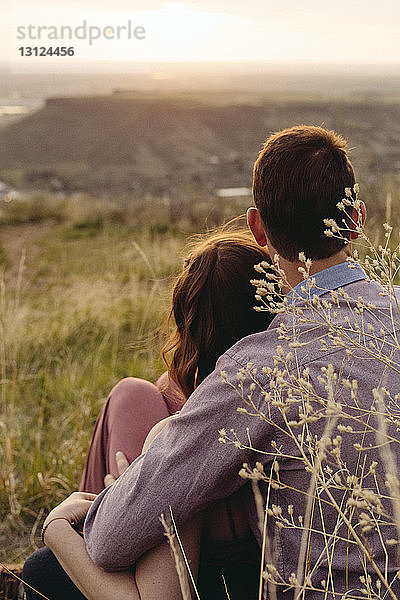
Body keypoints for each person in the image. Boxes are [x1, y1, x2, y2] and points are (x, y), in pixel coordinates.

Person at [26, 124, 400, 600]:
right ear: (359, 217)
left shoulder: (259, 369)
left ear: (257, 228)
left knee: (42, 571)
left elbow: (107, 539)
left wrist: (75, 517)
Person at [22, 227, 274, 600]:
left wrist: (60, 525)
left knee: (134, 398)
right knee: (152, 393)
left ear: (186, 326)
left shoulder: (179, 440)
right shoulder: (295, 397)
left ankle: (102, 510)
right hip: (251, 562)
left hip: (185, 576)